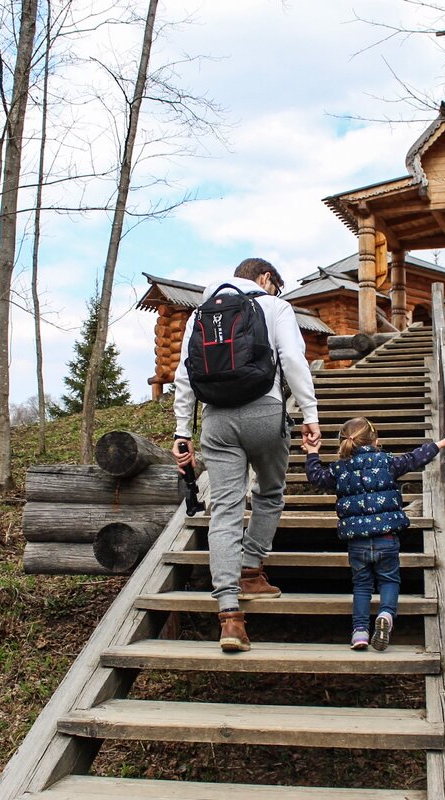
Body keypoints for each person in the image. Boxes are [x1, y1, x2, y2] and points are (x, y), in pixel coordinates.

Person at [171, 258, 321, 652]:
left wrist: (182, 432)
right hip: (265, 411)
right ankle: (251, 567)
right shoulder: (274, 306)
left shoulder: (200, 312)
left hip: (216, 420)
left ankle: (230, 617)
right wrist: (310, 413)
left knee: (224, 509)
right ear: (266, 278)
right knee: (270, 493)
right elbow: (291, 359)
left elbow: (184, 375)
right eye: (277, 284)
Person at [303, 417, 445, 651]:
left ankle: (359, 633)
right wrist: (439, 444)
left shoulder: (339, 469)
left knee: (362, 585)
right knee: (389, 580)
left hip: (357, 541)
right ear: (376, 441)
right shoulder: (387, 463)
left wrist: (313, 453)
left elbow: (316, 477)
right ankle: (386, 615)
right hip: (386, 537)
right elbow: (413, 459)